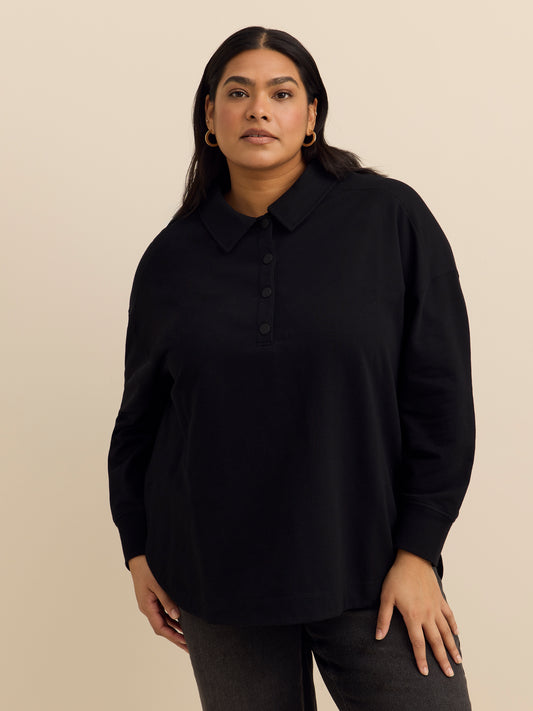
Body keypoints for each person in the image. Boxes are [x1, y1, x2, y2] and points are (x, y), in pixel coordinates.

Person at [108, 25, 475, 711]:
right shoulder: (171, 258)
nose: (258, 109)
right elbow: (140, 424)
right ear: (210, 116)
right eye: (237, 93)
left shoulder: (388, 218)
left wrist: (419, 553)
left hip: (372, 571)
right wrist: (137, 550)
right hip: (217, 581)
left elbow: (440, 397)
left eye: (281, 93)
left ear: (311, 117)